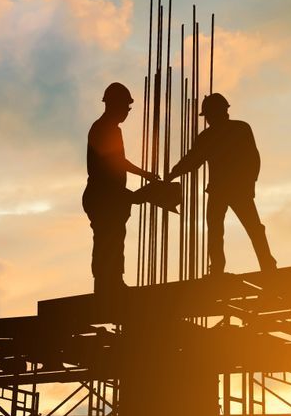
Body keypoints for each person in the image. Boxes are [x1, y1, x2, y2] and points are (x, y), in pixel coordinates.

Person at [165, 93, 276, 274]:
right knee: (225, 229)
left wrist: (250, 184)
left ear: (219, 112)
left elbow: (252, 158)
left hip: (231, 189)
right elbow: (193, 160)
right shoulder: (227, 131)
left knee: (238, 228)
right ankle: (254, 265)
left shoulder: (231, 131)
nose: (208, 119)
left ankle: (262, 264)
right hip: (225, 190)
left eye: (208, 114)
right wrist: (173, 173)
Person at [83, 82, 158, 292]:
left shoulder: (111, 129)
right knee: (107, 240)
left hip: (110, 196)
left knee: (115, 239)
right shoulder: (104, 129)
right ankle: (105, 285)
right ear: (114, 105)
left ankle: (113, 282)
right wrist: (145, 176)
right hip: (103, 197)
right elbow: (115, 162)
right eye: (126, 106)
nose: (127, 111)